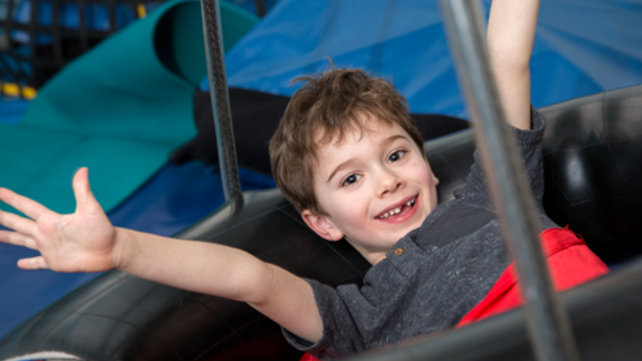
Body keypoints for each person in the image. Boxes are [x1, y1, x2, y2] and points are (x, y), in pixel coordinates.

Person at [0, 0, 608, 360]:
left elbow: (505, 58)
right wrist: (119, 248)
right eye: (351, 180)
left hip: (587, 328)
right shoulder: (354, 316)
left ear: (425, 158)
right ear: (318, 220)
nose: (387, 182)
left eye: (396, 156)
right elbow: (250, 277)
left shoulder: (494, 196)